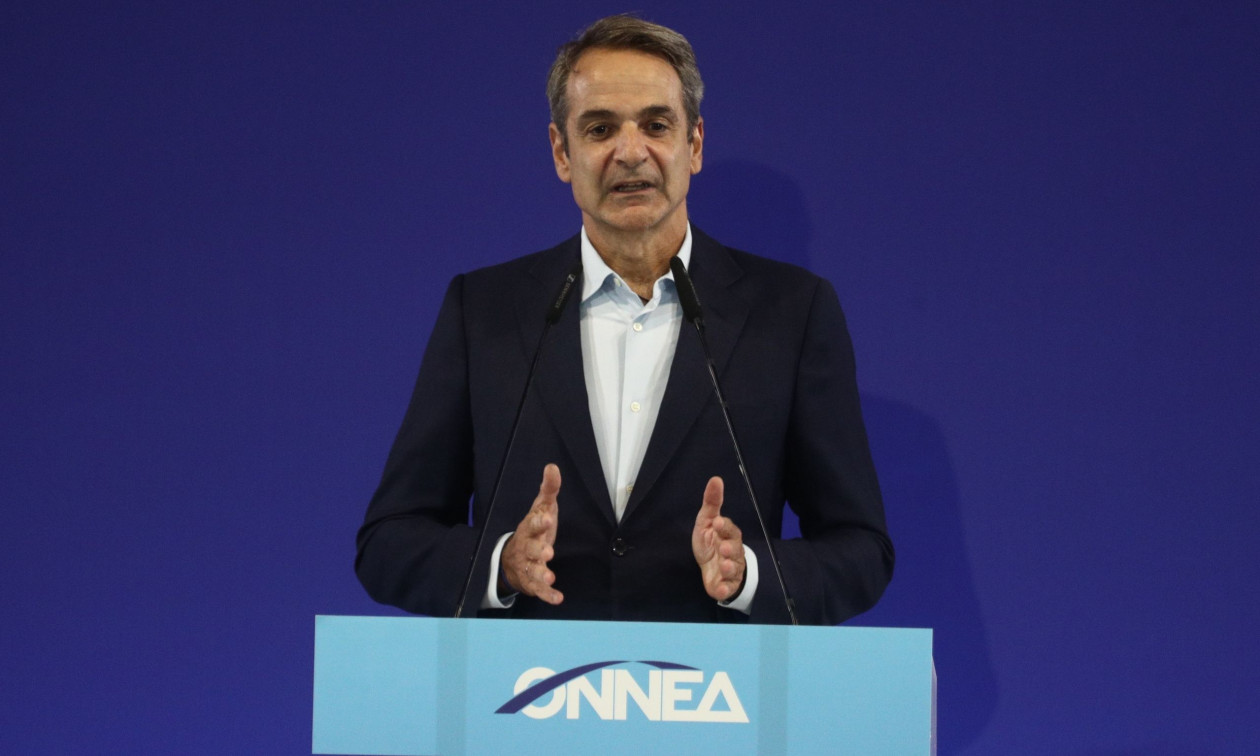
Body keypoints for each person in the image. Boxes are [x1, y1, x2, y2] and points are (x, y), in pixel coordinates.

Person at [355, 14, 893, 625]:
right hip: (530, 683)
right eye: (600, 128)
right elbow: (389, 541)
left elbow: (861, 550)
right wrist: (501, 563)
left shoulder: (791, 313)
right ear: (562, 152)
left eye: (656, 125)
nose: (631, 152)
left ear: (694, 144)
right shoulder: (483, 311)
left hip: (714, 682)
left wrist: (750, 574)